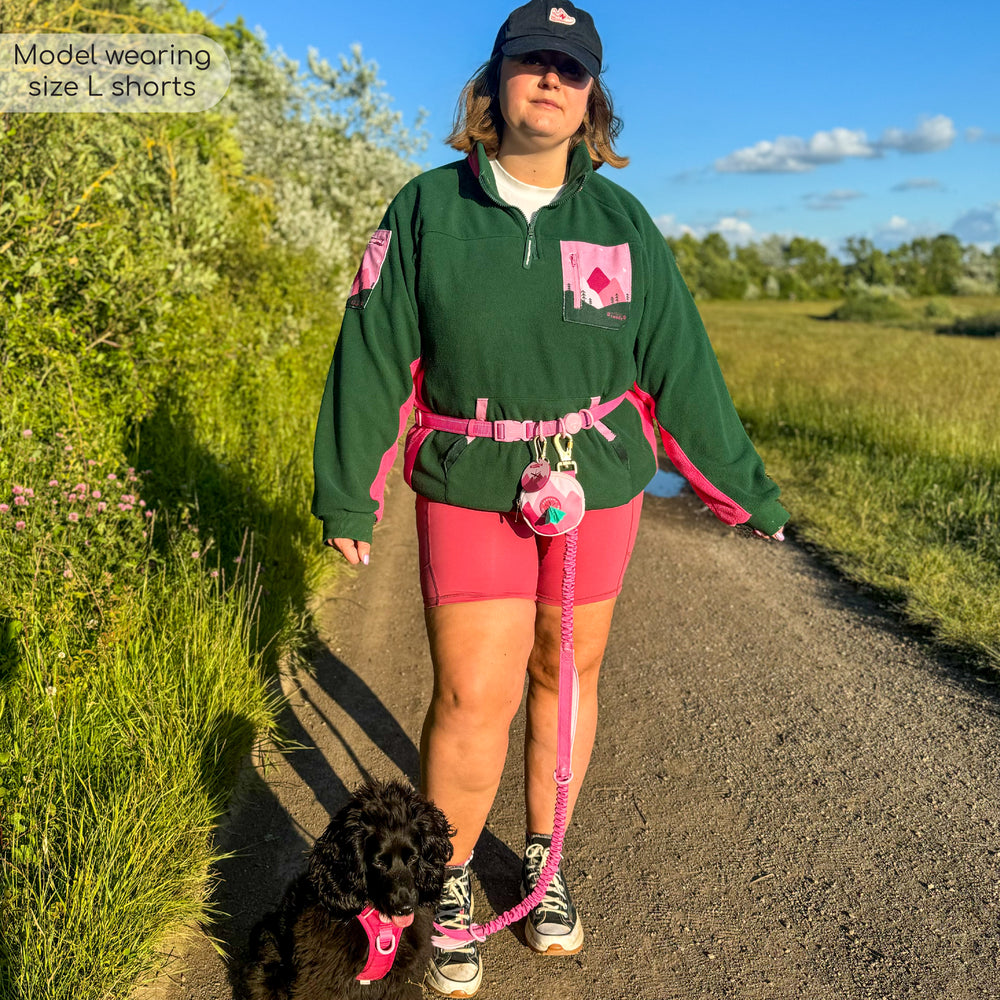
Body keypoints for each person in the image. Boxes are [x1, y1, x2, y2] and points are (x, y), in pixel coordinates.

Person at [312, 1, 789, 995]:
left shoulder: (621, 221)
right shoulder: (425, 209)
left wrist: (740, 487)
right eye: (529, 61)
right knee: (471, 694)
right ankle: (443, 885)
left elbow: (678, 366)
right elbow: (370, 356)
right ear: (492, 86)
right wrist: (348, 494)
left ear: (591, 100)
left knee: (564, 672)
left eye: (569, 70)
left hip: (597, 485)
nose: (548, 79)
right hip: (471, 480)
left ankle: (542, 858)